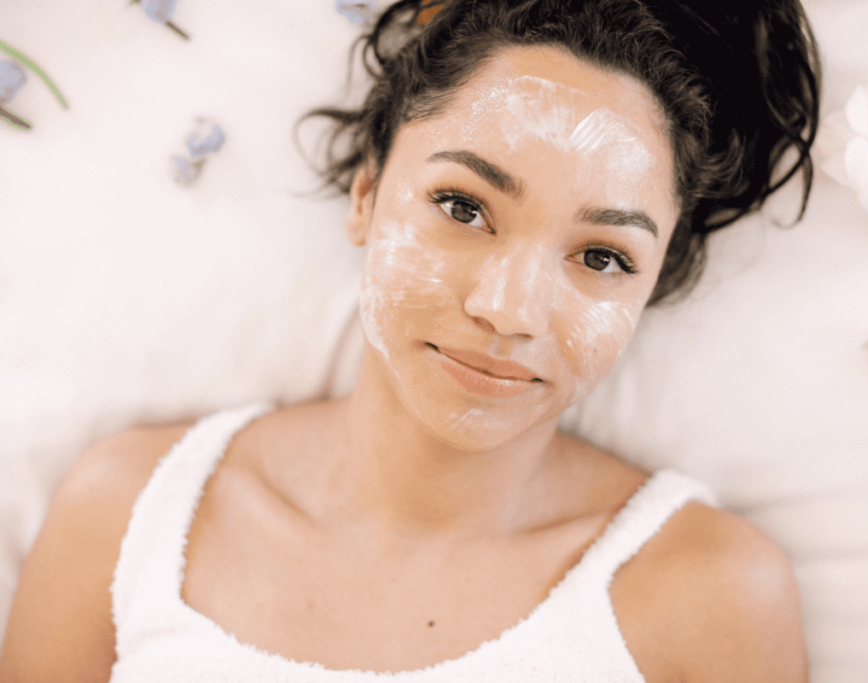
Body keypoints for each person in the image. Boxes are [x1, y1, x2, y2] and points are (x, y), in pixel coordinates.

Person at [0, 0, 819, 680]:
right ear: (366, 191)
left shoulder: (713, 599)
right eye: (464, 207)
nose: (508, 309)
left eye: (602, 256)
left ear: (652, 285)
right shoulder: (127, 511)